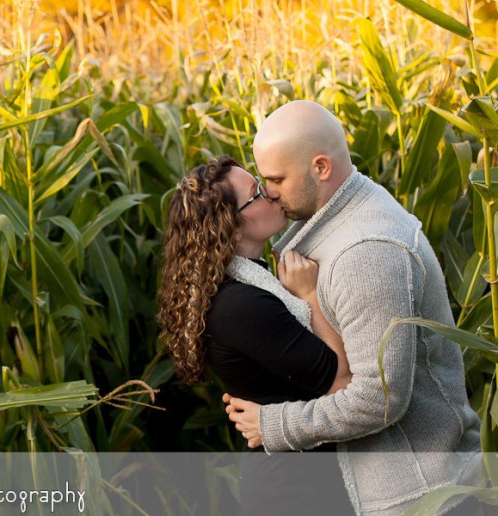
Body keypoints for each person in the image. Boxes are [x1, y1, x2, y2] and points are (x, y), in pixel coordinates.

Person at [225, 100, 483, 515]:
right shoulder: (340, 213)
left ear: (321, 168)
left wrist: (274, 425)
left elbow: (379, 399)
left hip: (420, 495)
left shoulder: (368, 254)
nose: (268, 192)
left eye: (276, 179)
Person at [157, 155, 353, 514]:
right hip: (296, 490)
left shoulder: (248, 281)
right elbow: (340, 381)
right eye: (258, 192)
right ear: (230, 226)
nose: (272, 194)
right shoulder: (240, 305)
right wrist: (310, 295)